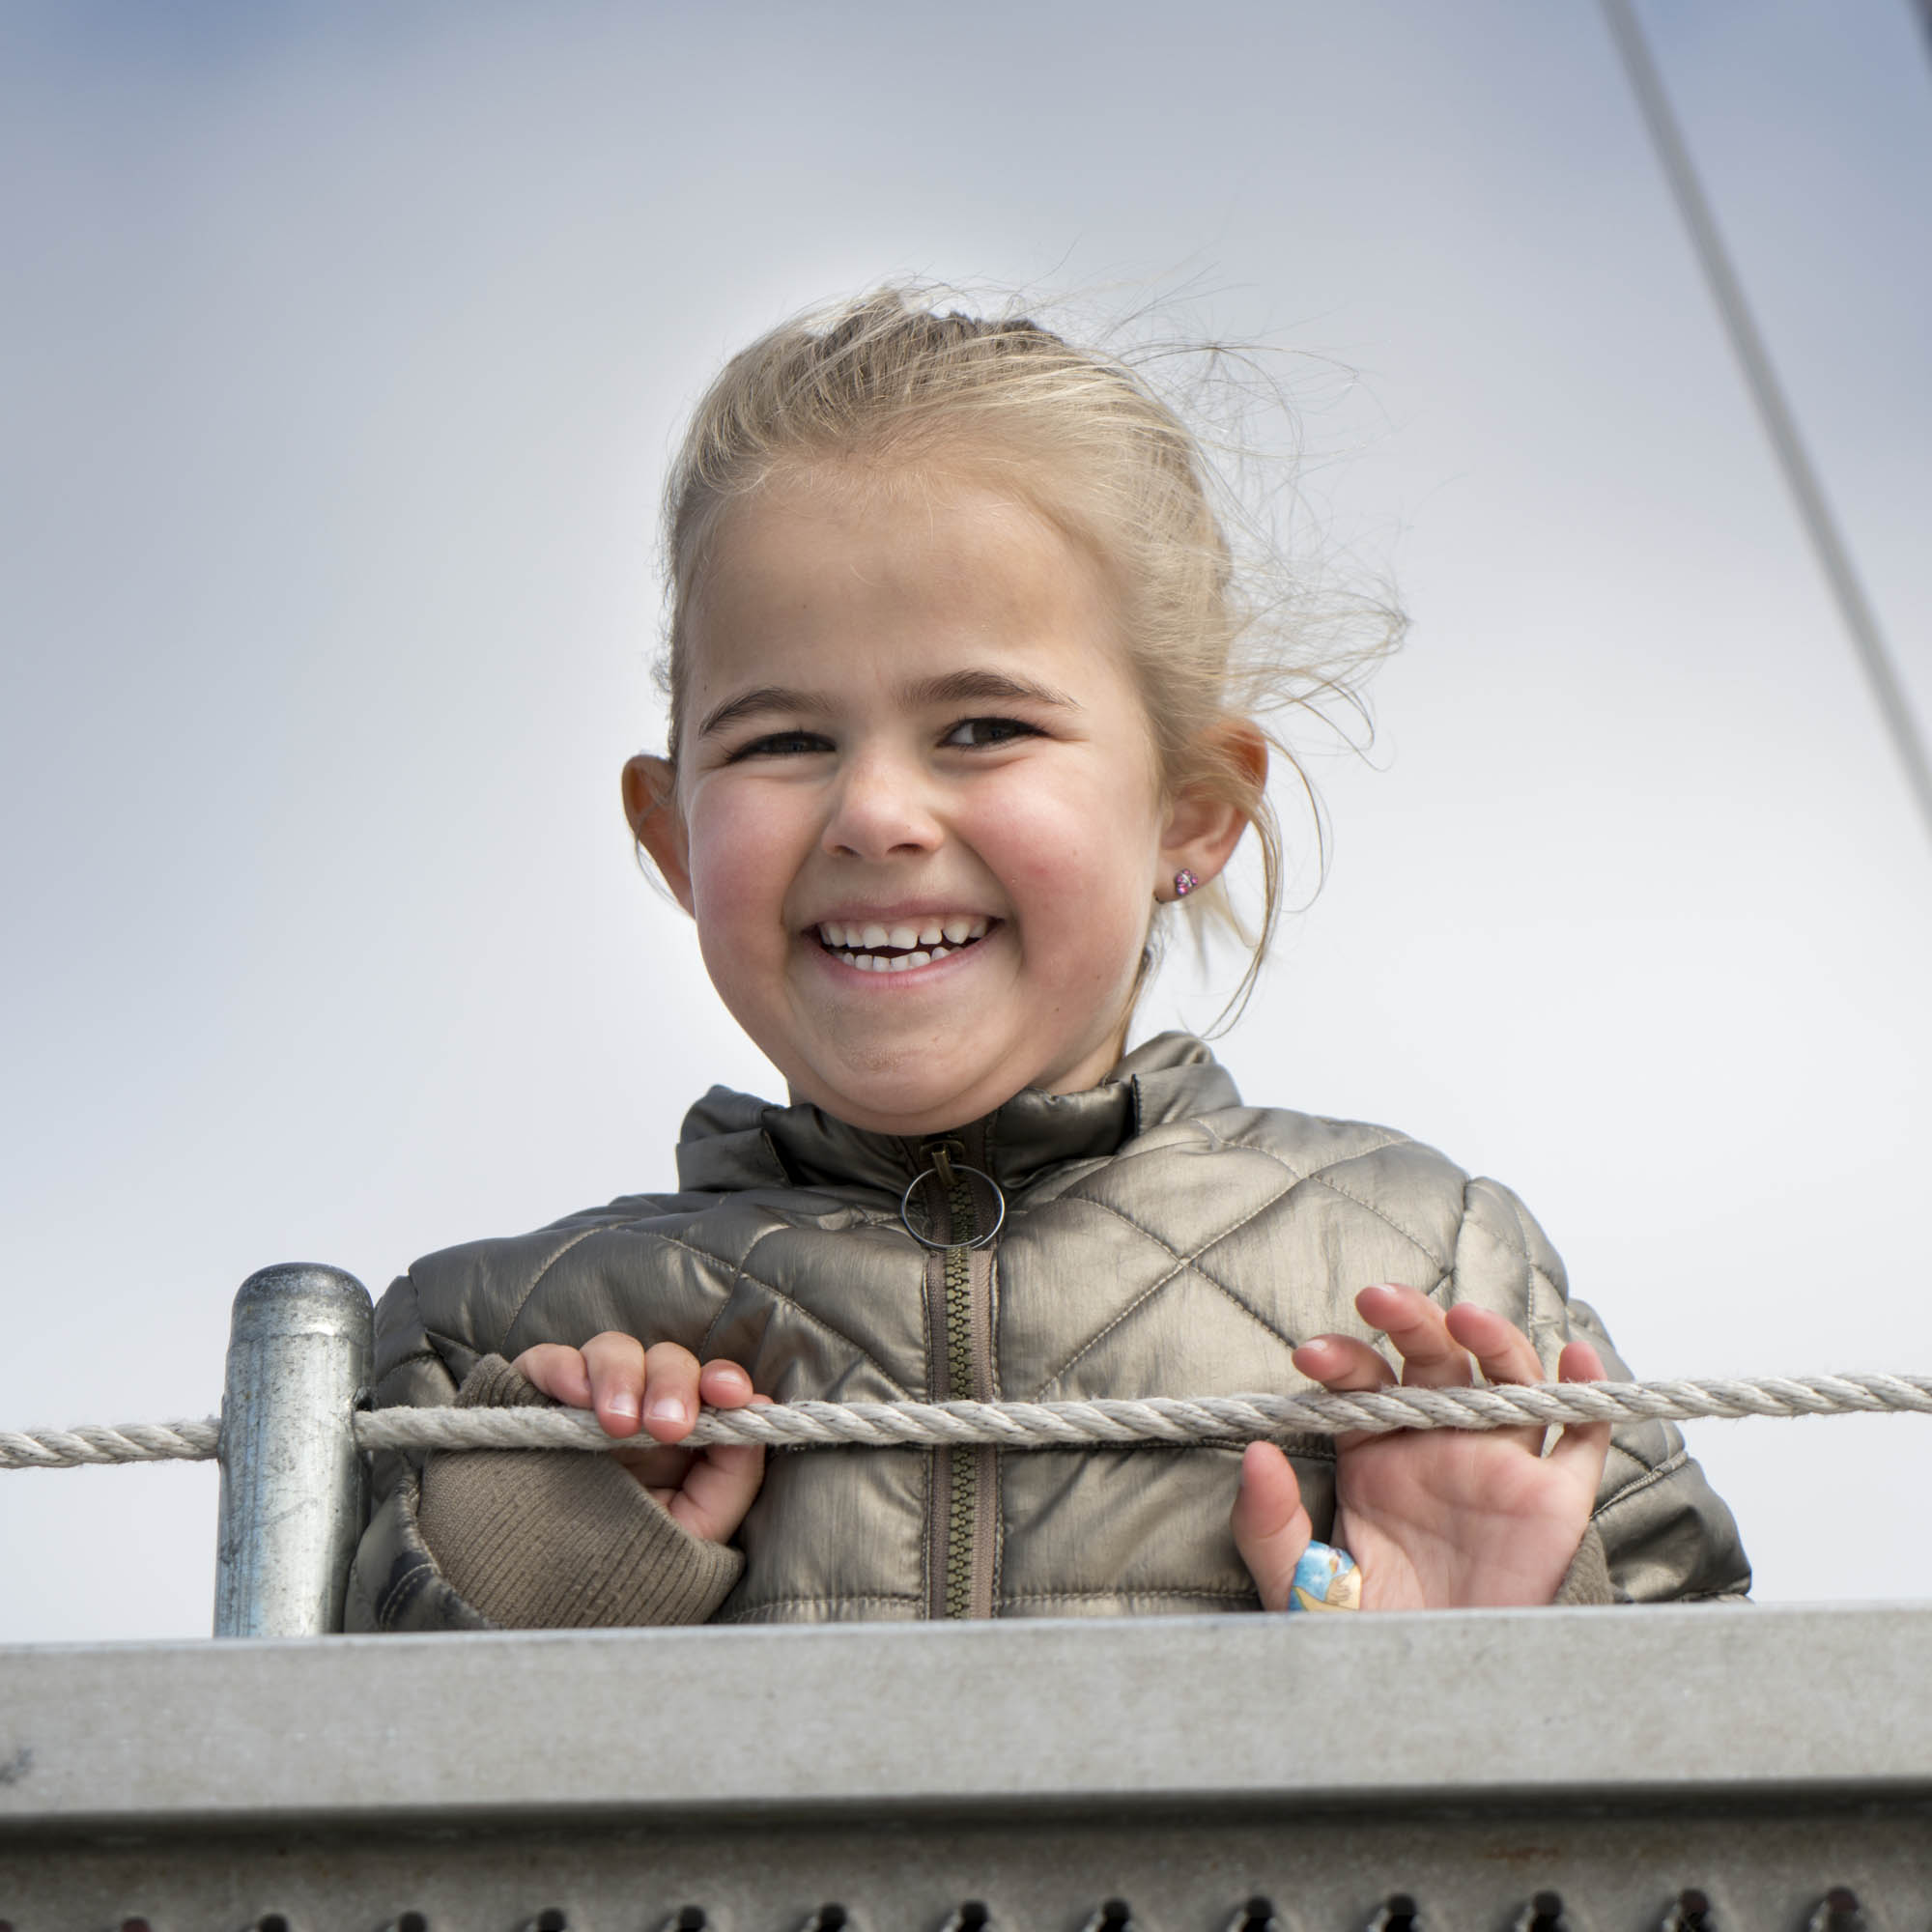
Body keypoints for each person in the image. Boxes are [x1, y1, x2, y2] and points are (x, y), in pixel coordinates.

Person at [345, 291, 1748, 1634]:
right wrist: (557, 1543)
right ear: (673, 836)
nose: (877, 815)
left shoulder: (1423, 1266)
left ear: (1192, 809)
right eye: (782, 743)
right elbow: (329, 1825)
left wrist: (1487, 1649)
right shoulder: (490, 1347)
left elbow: (1718, 1787)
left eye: (981, 729)